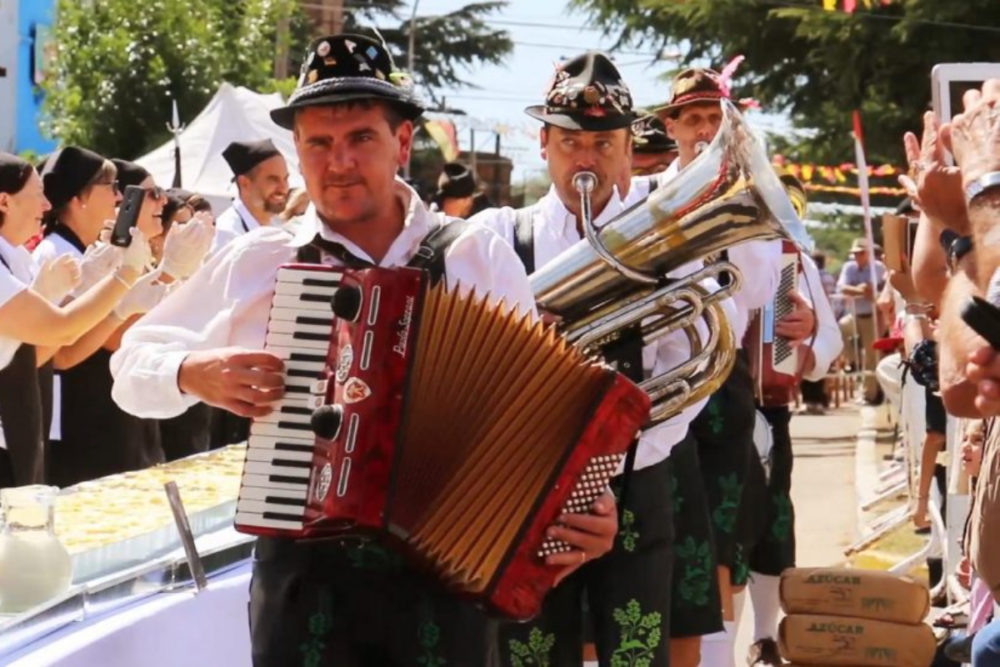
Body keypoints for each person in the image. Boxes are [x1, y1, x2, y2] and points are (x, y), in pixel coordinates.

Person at [111, 33, 617, 665]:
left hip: (447, 579)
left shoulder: (472, 254)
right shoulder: (263, 260)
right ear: (297, 151)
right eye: (319, 143)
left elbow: (537, 417)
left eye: (360, 139)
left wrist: (585, 508)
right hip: (303, 580)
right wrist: (191, 371)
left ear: (402, 142)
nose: (339, 161)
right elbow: (130, 364)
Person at [472, 51, 736, 667]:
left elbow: (692, 371)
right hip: (525, 483)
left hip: (638, 474)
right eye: (570, 142)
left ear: (625, 146)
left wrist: (607, 456)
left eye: (602, 143)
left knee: (638, 653)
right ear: (544, 143)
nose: (585, 159)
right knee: (531, 651)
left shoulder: (668, 244)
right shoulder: (496, 239)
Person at [652, 65, 782, 667]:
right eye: (693, 119)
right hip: (663, 383)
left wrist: (734, 219)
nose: (703, 130)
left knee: (721, 542)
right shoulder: (646, 201)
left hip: (721, 379)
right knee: (667, 532)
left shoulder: (744, 191)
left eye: (714, 118)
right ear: (671, 127)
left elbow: (756, 294)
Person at [0, 152, 157, 487]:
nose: (46, 205)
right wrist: (125, 277)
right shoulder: (43, 253)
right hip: (66, 423)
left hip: (23, 429)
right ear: (4, 202)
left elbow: (32, 355)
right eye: (36, 194)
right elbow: (62, 334)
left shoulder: (18, 257)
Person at [744, 183, 843, 667]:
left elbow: (831, 339)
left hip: (768, 408)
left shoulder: (790, 264)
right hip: (700, 413)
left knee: (770, 521)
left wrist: (805, 351)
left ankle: (764, 638)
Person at [211, 138, 290, 253]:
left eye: (285, 179)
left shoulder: (280, 228)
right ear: (245, 183)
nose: (284, 188)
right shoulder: (227, 235)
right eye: (273, 179)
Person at [836, 237, 887, 404]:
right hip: (855, 314)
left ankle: (869, 394)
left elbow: (876, 290)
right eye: (856, 253)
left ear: (868, 253)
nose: (857, 256)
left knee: (871, 357)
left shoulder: (878, 268)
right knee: (842, 327)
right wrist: (860, 290)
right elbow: (842, 288)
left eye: (861, 253)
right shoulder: (849, 267)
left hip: (873, 317)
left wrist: (863, 291)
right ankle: (850, 359)